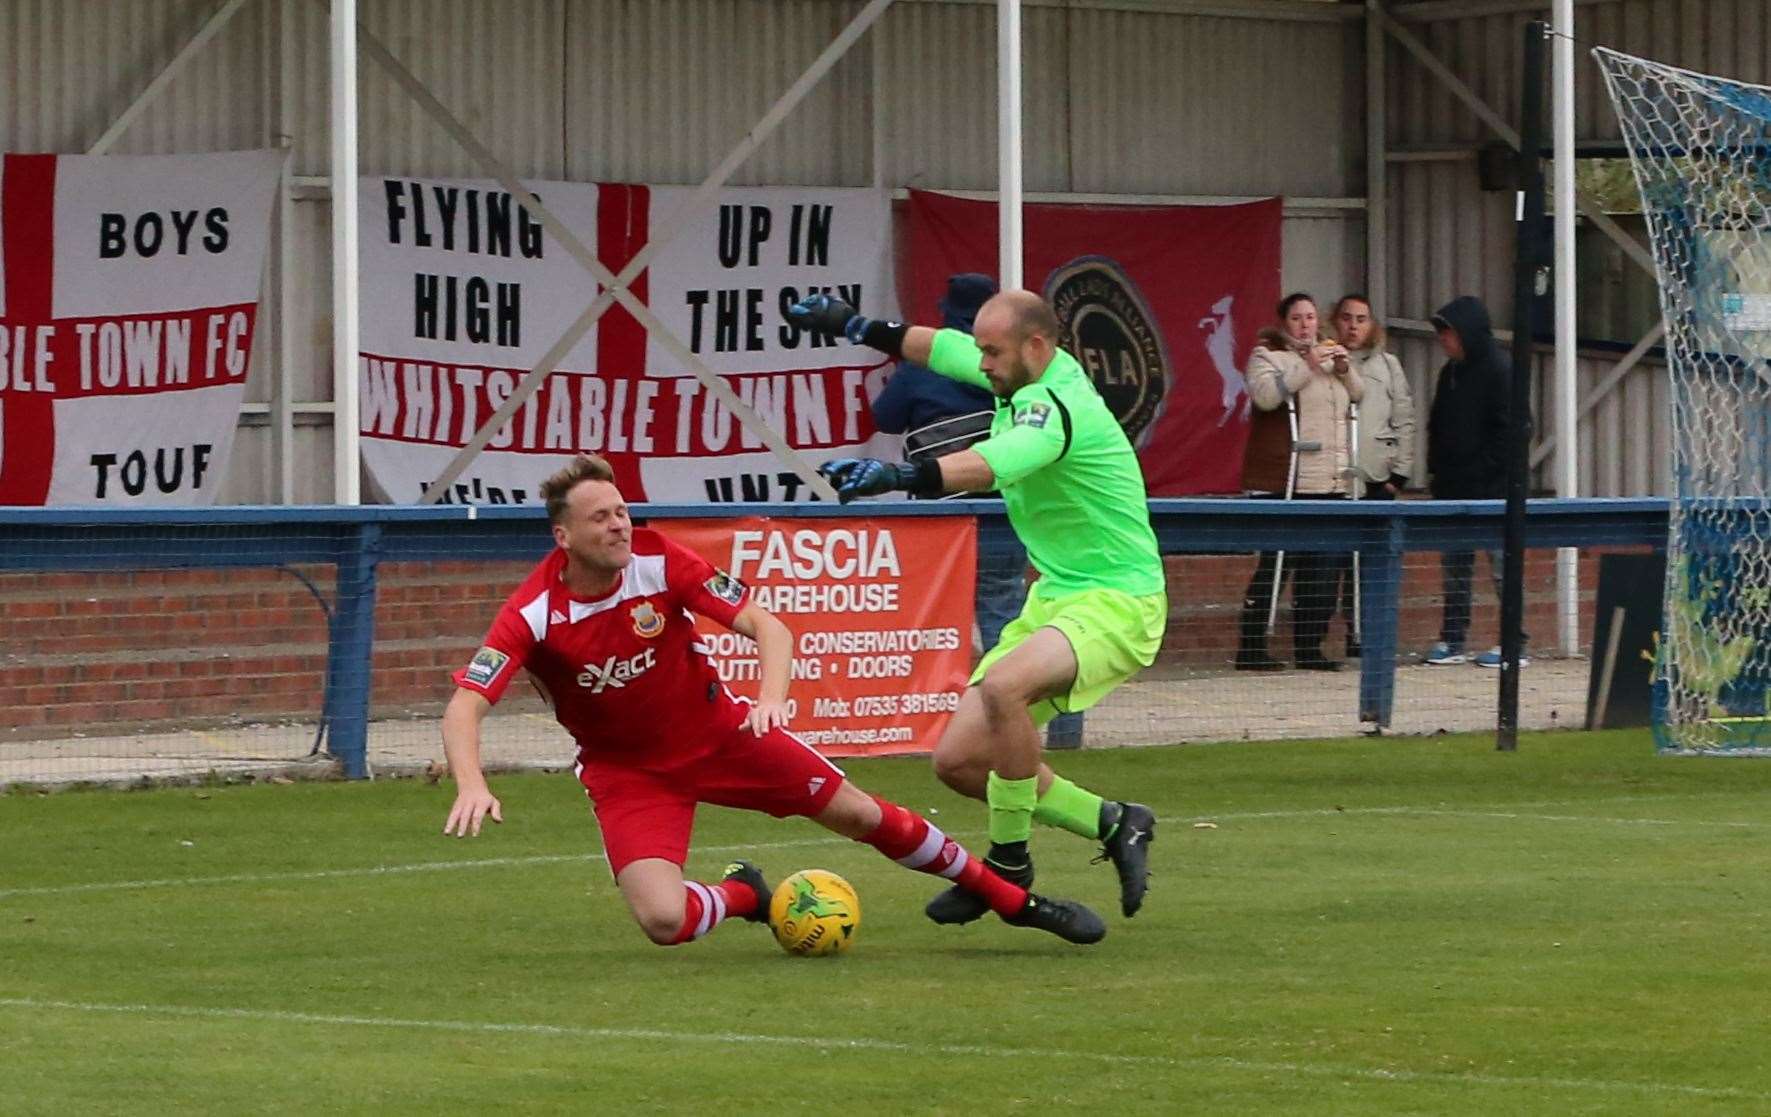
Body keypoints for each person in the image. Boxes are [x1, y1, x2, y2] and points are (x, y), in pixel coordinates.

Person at [440, 453, 1106, 948]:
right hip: (629, 771)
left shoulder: (658, 559)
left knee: (860, 814)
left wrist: (769, 696)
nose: (619, 526)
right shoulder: (534, 612)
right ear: (563, 537)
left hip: (724, 733)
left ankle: (1014, 900)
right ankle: (744, 894)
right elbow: (466, 703)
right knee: (662, 921)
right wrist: (471, 783)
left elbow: (769, 624)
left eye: (621, 511)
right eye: (601, 518)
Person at [786, 288, 1161, 925]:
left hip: (1119, 599)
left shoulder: (1055, 404)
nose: (982, 363)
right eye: (984, 349)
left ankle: (1008, 864)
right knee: (959, 763)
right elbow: (944, 347)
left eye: (995, 351)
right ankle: (1115, 822)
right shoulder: (1018, 375)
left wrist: (905, 477)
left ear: (1037, 347)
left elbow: (996, 462)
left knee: (1004, 688)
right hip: (1059, 597)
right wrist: (854, 324)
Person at [870, 273, 1087, 750]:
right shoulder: (1022, 372)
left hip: (939, 516)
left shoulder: (925, 371)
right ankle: (1063, 732)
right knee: (1005, 617)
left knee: (929, 622)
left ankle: (918, 726)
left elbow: (883, 416)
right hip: (1001, 511)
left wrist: (903, 473)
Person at [1238, 293, 1362, 672]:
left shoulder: (1330, 358)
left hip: (1331, 476)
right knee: (1276, 564)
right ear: (1283, 323)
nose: (1306, 325)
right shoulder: (1267, 356)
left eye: (1310, 317)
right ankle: (1252, 646)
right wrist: (1307, 364)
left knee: (1323, 569)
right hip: (1286, 477)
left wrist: (1343, 369)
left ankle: (1310, 646)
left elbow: (1358, 395)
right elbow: (1265, 396)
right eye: (1297, 318)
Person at [1424, 296, 1527, 669]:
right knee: (1454, 569)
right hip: (1452, 490)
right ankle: (1452, 639)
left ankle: (1514, 643)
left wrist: (1486, 472)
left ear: (1467, 333)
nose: (1442, 340)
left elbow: (1511, 433)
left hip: (1494, 491)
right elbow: (1436, 425)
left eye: (1447, 333)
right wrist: (1436, 471)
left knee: (1502, 566)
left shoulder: (1501, 369)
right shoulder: (1448, 373)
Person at [1328, 294, 1416, 657]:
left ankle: (1364, 634)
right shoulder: (1325, 361)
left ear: (1372, 324)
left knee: (1371, 563)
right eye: (1347, 318)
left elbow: (1405, 418)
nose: (1353, 325)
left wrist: (1400, 474)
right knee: (1335, 561)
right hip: (1335, 478)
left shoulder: (1388, 365)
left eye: (1361, 319)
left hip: (1377, 475)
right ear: (1335, 322)